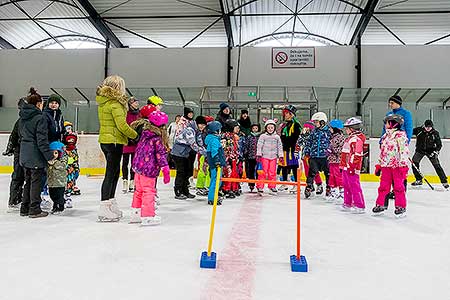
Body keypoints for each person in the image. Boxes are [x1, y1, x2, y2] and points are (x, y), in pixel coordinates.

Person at [96, 75, 138, 222]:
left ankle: (110, 203)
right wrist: (135, 135)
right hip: (114, 142)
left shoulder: (103, 102)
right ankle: (104, 206)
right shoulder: (115, 104)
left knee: (114, 173)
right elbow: (122, 125)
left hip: (106, 141)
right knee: (111, 174)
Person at [129, 111, 171, 226]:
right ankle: (148, 216)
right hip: (148, 170)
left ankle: (136, 213)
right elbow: (160, 155)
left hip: (138, 168)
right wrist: (166, 169)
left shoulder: (145, 134)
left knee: (138, 191)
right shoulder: (157, 139)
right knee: (148, 191)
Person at [19, 90, 54, 218]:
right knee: (36, 182)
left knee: (28, 181)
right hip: (35, 155)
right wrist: (49, 156)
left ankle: (25, 207)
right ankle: (34, 209)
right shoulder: (40, 118)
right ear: (38, 104)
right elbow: (42, 141)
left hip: (24, 154)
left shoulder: (22, 117)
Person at [373, 115, 409, 217]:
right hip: (386, 166)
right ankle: (381, 204)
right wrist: (379, 165)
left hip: (397, 166)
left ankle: (400, 206)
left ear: (394, 124)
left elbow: (404, 151)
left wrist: (403, 165)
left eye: (387, 122)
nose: (385, 125)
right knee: (383, 187)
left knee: (398, 187)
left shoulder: (400, 136)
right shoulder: (385, 137)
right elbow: (383, 152)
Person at [171, 108, 206, 199]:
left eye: (204, 125)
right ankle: (178, 191)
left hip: (185, 153)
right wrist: (204, 152)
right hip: (178, 153)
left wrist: (205, 150)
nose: (202, 126)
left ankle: (185, 191)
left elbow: (199, 142)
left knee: (187, 172)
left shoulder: (197, 130)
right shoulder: (190, 130)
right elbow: (193, 144)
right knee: (181, 172)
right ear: (197, 124)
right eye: (201, 124)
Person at [3, 96, 27, 212]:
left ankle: (18, 198)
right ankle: (14, 199)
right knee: (18, 175)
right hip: (20, 151)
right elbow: (14, 137)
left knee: (21, 176)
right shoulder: (21, 121)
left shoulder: (23, 120)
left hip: (23, 151)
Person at [339, 117, 366, 213]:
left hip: (352, 167)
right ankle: (348, 203)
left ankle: (359, 205)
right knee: (346, 185)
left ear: (352, 128)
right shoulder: (349, 139)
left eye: (347, 128)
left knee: (354, 185)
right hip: (346, 166)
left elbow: (357, 154)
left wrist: (352, 166)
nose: (346, 130)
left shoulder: (356, 139)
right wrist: (342, 165)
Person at [411, 120, 448, 189]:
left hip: (431, 151)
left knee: (437, 166)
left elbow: (439, 145)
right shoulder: (419, 130)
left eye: (430, 127)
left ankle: (444, 182)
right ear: (424, 126)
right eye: (426, 127)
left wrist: (436, 152)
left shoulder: (435, 133)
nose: (428, 128)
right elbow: (409, 132)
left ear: (432, 127)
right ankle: (419, 179)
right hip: (420, 150)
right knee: (414, 163)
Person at [303, 112, 331, 199]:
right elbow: (309, 142)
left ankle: (328, 187)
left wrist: (331, 153)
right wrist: (307, 152)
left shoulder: (329, 132)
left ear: (322, 122)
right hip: (314, 156)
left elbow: (332, 143)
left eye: (316, 122)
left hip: (325, 157)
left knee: (327, 174)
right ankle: (309, 186)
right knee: (311, 173)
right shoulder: (314, 132)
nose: (314, 124)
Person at [256, 119, 284, 195]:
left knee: (272, 172)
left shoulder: (277, 137)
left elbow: (280, 147)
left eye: (272, 127)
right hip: (264, 156)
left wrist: (281, 156)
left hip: (273, 157)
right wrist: (259, 154)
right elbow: (259, 146)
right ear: (266, 128)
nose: (270, 129)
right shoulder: (263, 136)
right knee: (263, 172)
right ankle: (260, 186)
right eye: (268, 128)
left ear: (274, 128)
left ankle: (272, 186)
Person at [296, 121, 323, 193]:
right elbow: (299, 143)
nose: (306, 128)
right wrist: (301, 135)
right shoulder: (303, 135)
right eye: (305, 127)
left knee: (314, 172)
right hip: (305, 157)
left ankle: (319, 184)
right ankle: (310, 185)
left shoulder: (314, 135)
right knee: (307, 172)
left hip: (312, 157)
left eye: (308, 127)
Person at [279, 105, 301, 193]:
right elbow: (282, 137)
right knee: (284, 166)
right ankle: (284, 183)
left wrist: (286, 140)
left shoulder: (296, 125)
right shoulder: (284, 125)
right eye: (285, 113)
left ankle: (296, 184)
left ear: (292, 114)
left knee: (294, 166)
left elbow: (296, 138)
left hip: (293, 149)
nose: (285, 115)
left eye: (287, 113)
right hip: (285, 149)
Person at [205, 121, 226, 205]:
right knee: (215, 181)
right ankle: (212, 198)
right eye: (219, 130)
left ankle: (214, 196)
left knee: (217, 180)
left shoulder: (213, 139)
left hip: (215, 164)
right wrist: (217, 161)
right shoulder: (214, 140)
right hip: (215, 164)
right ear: (215, 131)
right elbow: (214, 152)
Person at [122, 97, 140, 193]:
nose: (136, 104)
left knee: (134, 163)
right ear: (130, 104)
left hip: (135, 141)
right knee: (125, 162)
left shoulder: (139, 114)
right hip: (126, 140)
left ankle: (132, 181)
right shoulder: (126, 113)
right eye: (134, 102)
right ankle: (125, 180)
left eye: (137, 102)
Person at [221, 119, 241, 198]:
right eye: (236, 127)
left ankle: (234, 187)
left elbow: (236, 147)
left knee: (234, 173)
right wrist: (227, 157)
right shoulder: (225, 136)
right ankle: (227, 189)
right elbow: (223, 148)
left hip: (234, 158)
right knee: (228, 173)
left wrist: (237, 156)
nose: (238, 129)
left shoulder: (234, 136)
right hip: (227, 159)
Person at [195, 115, 215, 196]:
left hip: (206, 153)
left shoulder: (207, 132)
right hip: (204, 154)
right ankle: (203, 186)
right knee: (204, 169)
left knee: (205, 169)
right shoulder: (204, 133)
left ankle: (203, 185)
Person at [327, 119, 345, 203]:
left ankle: (342, 192)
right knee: (332, 176)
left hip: (338, 161)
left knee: (338, 176)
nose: (329, 129)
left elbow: (341, 150)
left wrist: (332, 149)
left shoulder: (340, 137)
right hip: (332, 160)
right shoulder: (332, 137)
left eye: (331, 128)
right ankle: (333, 191)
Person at [62, 121, 80, 208]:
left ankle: (68, 196)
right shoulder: (63, 147)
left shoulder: (74, 148)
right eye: (67, 128)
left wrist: (76, 168)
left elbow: (75, 159)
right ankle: (64, 197)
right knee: (64, 182)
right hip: (65, 167)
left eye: (70, 128)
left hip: (72, 167)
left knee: (71, 180)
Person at [47, 141, 68, 215]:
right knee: (52, 195)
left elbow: (62, 166)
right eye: (52, 153)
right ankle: (55, 206)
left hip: (60, 183)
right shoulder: (49, 161)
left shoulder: (63, 160)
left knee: (59, 196)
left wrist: (54, 162)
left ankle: (60, 206)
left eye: (56, 153)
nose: (54, 155)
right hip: (51, 183)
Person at [244, 123, 261, 193]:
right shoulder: (249, 137)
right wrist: (246, 153)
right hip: (250, 156)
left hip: (258, 156)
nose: (254, 130)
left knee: (258, 171)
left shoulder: (260, 137)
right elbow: (246, 145)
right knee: (251, 170)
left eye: (256, 128)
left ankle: (259, 184)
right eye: (253, 128)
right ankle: (251, 184)